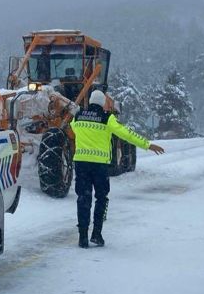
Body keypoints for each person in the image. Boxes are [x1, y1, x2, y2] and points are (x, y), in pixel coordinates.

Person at [67, 90, 165, 248]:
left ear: (90, 101)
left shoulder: (77, 117)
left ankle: (82, 237)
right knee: (101, 198)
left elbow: (73, 130)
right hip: (100, 166)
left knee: (83, 199)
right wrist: (147, 144)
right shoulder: (107, 118)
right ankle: (97, 234)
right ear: (102, 103)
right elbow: (126, 134)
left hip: (81, 164)